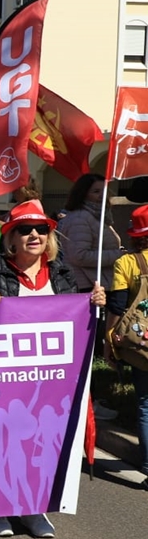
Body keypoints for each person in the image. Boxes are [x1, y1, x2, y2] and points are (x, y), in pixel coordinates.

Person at [0, 199, 103, 539]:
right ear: (11, 237)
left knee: (41, 446)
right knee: (1, 444)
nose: (34, 235)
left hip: (49, 381)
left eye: (41, 229)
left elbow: (77, 323)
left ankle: (33, 508)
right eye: (25, 230)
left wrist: (94, 304)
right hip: (1, 376)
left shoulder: (62, 273)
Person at [106, 204, 148, 492]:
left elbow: (117, 307)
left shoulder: (127, 263)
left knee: (146, 404)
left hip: (141, 344)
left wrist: (110, 341)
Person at [59, 173, 123, 292]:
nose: (102, 195)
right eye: (96, 191)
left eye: (104, 190)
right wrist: (119, 255)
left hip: (100, 283)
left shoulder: (100, 217)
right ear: (83, 194)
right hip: (87, 286)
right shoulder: (80, 218)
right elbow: (80, 256)